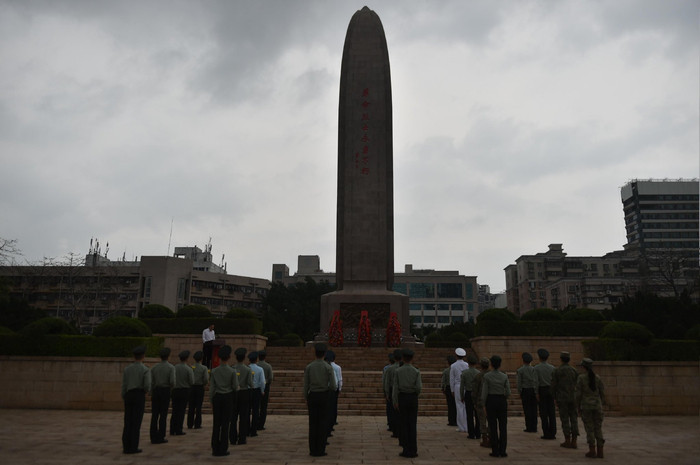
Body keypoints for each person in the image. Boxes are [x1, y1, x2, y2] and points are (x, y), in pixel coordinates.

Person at [303, 343, 336, 457]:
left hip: (312, 395)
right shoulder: (328, 367)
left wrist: (306, 397)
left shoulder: (309, 367)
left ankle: (312, 449)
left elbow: (306, 384)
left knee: (313, 423)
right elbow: (333, 385)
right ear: (325, 354)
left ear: (315, 353)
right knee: (322, 423)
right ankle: (320, 449)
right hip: (324, 395)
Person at [121, 345, 151, 454]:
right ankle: (133, 446)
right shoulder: (145, 369)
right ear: (143, 356)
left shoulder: (127, 369)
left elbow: (124, 384)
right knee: (136, 422)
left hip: (129, 395)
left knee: (128, 421)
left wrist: (124, 395)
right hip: (139, 395)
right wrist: (146, 392)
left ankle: (126, 446)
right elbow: (147, 385)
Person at [209, 345, 238, 457]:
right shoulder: (232, 371)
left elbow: (212, 388)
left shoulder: (214, 371)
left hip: (217, 397)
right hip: (228, 397)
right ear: (229, 357)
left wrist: (211, 400)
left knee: (216, 423)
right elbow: (235, 386)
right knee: (226, 424)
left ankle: (215, 448)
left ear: (220, 358)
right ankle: (223, 448)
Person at [392, 349, 421, 459]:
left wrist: (395, 401)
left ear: (403, 358)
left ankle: (405, 449)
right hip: (412, 398)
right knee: (412, 424)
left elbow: (395, 388)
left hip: (402, 398)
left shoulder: (398, 371)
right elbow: (418, 388)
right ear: (412, 358)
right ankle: (413, 449)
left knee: (403, 424)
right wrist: (414, 395)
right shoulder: (416, 371)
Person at [575, 358, 606, 459]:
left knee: (589, 428)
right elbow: (602, 392)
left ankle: (592, 449)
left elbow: (578, 394)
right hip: (597, 406)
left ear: (583, 367)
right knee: (598, 428)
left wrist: (577, 406)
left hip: (586, 406)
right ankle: (600, 450)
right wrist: (601, 403)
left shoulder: (581, 378)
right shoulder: (597, 377)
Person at [482, 355, 510, 458]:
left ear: (491, 364)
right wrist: (503, 397)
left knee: (492, 426)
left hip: (491, 400)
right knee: (503, 426)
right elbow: (508, 392)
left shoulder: (487, 376)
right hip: (501, 400)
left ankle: (495, 450)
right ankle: (503, 450)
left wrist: (483, 404)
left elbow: (484, 392)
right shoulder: (504, 376)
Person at [552, 351, 580, 449]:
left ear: (561, 359)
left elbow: (554, 385)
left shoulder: (557, 371)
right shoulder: (574, 370)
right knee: (574, 418)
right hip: (573, 397)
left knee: (565, 419)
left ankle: (567, 439)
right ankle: (574, 440)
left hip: (562, 398)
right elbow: (578, 384)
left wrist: (554, 397)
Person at [149, 347, 175, 444]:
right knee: (163, 415)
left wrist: (151, 391)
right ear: (168, 356)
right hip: (165, 390)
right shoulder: (171, 367)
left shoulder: (154, 367)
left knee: (155, 414)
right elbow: (172, 382)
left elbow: (151, 381)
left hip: (156, 391)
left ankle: (153, 436)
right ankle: (161, 436)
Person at [230, 347, 253, 445]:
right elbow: (250, 383)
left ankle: (232, 437)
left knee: (233, 417)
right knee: (243, 417)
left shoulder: (232, 368)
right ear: (244, 358)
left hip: (234, 393)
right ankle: (242, 438)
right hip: (244, 393)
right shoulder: (247, 369)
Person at [534, 348, 556, 440]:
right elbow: (554, 381)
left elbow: (536, 381)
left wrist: (536, 393)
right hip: (550, 390)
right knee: (552, 412)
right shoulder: (552, 368)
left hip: (542, 390)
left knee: (543, 413)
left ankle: (546, 432)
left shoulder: (536, 368)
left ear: (539, 357)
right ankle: (553, 432)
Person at [170, 350, 194, 436]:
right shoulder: (188, 369)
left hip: (175, 390)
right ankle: (178, 429)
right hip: (184, 391)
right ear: (187, 358)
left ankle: (172, 429)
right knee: (181, 410)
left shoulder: (174, 367)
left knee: (174, 410)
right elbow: (192, 381)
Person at [460, 353, 481, 439]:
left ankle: (471, 433)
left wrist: (462, 396)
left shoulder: (464, 373)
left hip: (468, 394)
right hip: (477, 394)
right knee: (478, 415)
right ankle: (478, 432)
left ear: (468, 363)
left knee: (469, 414)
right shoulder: (479, 373)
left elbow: (462, 386)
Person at [516, 352, 538, 433]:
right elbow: (536, 380)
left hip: (525, 390)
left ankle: (529, 427)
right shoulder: (534, 369)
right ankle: (534, 427)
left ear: (523, 360)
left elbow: (519, 383)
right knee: (534, 409)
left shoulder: (520, 370)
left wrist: (519, 391)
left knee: (527, 409)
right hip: (533, 390)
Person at [187, 350, 209, 430]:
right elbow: (206, 379)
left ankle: (189, 423)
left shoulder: (191, 367)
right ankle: (197, 424)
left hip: (191, 388)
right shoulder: (204, 368)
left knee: (191, 406)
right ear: (201, 359)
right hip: (199, 387)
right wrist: (203, 384)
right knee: (198, 407)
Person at [384, 349, 403, 439]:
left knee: (392, 411)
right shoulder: (402, 368)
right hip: (402, 392)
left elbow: (386, 382)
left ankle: (394, 429)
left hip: (392, 390)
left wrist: (386, 393)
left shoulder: (389, 369)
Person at [472, 357, 490, 448]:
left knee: (482, 421)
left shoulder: (478, 376)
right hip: (490, 400)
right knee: (491, 420)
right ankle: (491, 437)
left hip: (480, 401)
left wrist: (474, 402)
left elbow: (475, 391)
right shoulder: (490, 375)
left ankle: (485, 439)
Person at [450, 347, 469, 433]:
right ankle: (466, 426)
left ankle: (461, 426)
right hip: (465, 386)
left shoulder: (453, 365)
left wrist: (452, 390)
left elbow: (452, 379)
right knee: (465, 407)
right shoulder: (466, 365)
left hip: (457, 386)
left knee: (459, 406)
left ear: (456, 355)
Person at [248, 351, 266, 437]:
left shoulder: (247, 368)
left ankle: (246, 429)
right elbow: (262, 381)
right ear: (256, 360)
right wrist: (262, 390)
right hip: (256, 391)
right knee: (255, 411)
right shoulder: (260, 369)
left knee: (247, 411)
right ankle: (253, 430)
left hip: (248, 391)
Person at [325, 350, 342, 436]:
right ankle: (332, 421)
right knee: (333, 406)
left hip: (325, 389)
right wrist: (339, 388)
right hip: (333, 389)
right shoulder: (337, 367)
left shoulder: (325, 366)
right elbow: (339, 379)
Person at [257, 350, 273, 430]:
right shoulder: (268, 366)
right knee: (263, 406)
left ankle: (255, 423)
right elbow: (270, 378)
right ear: (265, 357)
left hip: (256, 387)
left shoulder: (256, 365)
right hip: (265, 387)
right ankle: (261, 424)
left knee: (256, 406)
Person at [441, 355, 457, 426]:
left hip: (448, 388)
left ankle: (451, 420)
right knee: (456, 405)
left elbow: (443, 381)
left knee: (450, 405)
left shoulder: (446, 370)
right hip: (455, 387)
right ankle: (456, 420)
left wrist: (443, 388)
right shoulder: (456, 370)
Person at [382, 352, 396, 432]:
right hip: (397, 390)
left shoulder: (387, 368)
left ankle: (391, 424)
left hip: (390, 389)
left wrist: (385, 391)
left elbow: (385, 381)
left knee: (390, 408)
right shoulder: (399, 367)